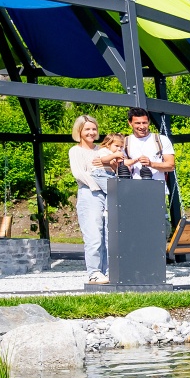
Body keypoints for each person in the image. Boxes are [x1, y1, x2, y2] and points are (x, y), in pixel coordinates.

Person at [68, 115, 118, 284]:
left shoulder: (102, 150)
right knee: (94, 236)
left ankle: (110, 271)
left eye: (94, 129)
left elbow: (114, 169)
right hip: (90, 194)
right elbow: (79, 173)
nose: (91, 132)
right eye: (87, 129)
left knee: (110, 235)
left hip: (109, 194)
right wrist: (97, 184)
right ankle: (94, 272)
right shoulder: (75, 151)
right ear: (79, 131)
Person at [122, 108, 175, 180]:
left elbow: (171, 166)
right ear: (130, 123)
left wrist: (151, 164)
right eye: (137, 123)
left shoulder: (162, 139)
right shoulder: (125, 142)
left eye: (144, 123)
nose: (142, 127)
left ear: (149, 122)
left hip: (157, 187)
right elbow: (119, 165)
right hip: (133, 188)